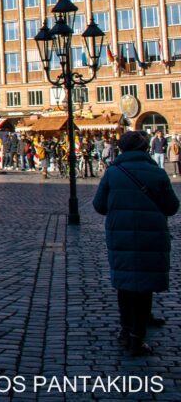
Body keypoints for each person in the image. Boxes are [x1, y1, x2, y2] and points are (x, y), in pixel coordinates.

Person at [93, 130, 179, 356]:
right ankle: (136, 338)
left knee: (125, 284)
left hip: (120, 236)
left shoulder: (113, 172)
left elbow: (99, 206)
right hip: (151, 237)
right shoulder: (158, 173)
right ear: (144, 149)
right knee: (144, 288)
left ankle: (125, 329)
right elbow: (172, 207)